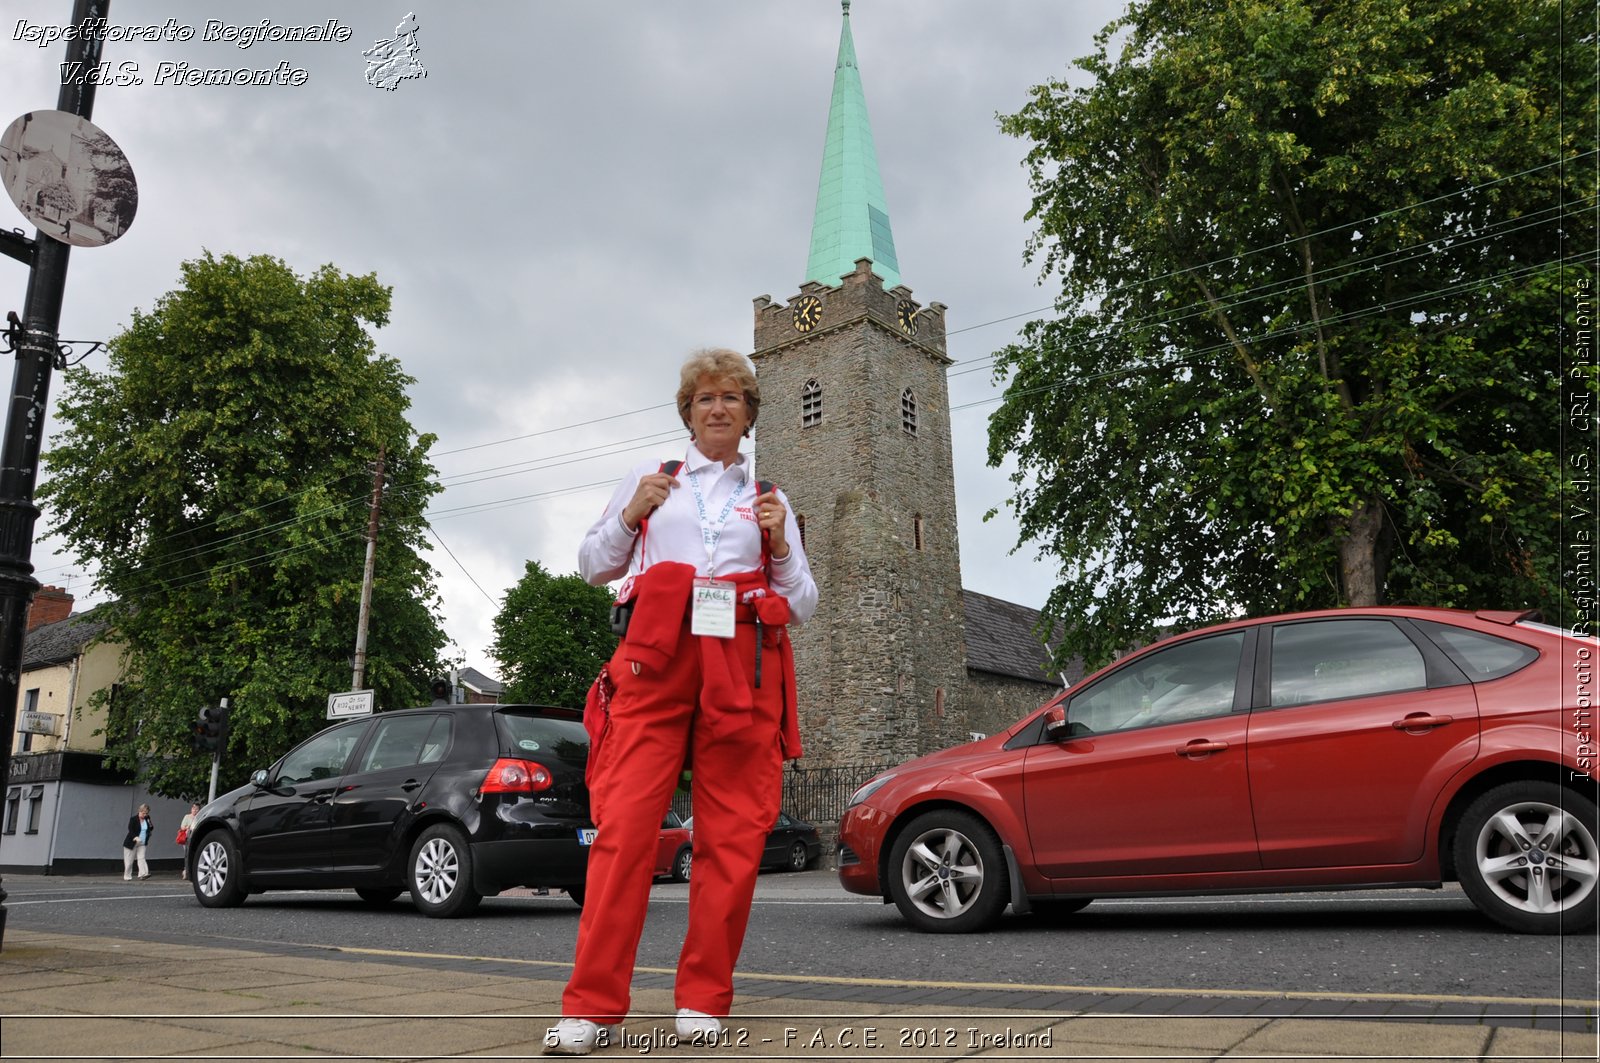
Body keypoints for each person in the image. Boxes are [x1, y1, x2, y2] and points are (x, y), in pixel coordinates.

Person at [545, 348, 817, 1056]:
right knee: (625, 831)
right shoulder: (652, 484)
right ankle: (594, 1007)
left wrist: (780, 544)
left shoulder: (771, 497)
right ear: (687, 413)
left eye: (731, 397)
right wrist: (630, 517)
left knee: (730, 840)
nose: (718, 407)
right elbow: (592, 563)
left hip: (740, 667)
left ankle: (704, 997)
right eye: (704, 398)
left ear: (749, 414)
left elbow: (804, 600)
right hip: (655, 662)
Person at [122, 804, 153, 881]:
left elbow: (151, 827)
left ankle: (143, 874)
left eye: (146, 813)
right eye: (143, 813)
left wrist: (149, 823)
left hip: (142, 843)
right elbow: (130, 829)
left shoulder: (147, 818)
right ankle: (127, 875)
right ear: (139, 811)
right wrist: (135, 837)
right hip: (132, 842)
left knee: (141, 858)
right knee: (129, 861)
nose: (145, 815)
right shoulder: (133, 819)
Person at [178, 802, 200, 880]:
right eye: (193, 808)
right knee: (187, 855)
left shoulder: (199, 817)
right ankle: (186, 872)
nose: (195, 810)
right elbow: (182, 827)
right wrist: (189, 827)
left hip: (195, 838)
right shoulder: (187, 817)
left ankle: (192, 872)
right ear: (191, 809)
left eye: (196, 809)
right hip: (187, 839)